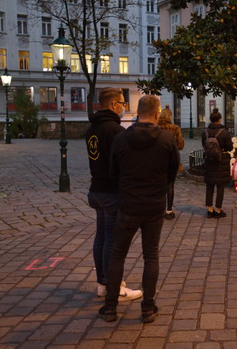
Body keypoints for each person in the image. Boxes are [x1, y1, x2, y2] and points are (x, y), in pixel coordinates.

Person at [99, 95, 180, 324]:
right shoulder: (166, 139)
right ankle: (147, 307)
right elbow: (172, 172)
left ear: (137, 111)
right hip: (154, 204)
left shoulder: (121, 139)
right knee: (151, 255)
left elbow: (112, 172)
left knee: (118, 254)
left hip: (128, 204)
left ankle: (110, 307)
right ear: (156, 113)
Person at [85, 88, 142, 301]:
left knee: (101, 237)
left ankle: (103, 283)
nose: (124, 107)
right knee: (112, 240)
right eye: (122, 103)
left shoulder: (92, 128)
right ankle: (114, 287)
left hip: (96, 190)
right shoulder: (115, 131)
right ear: (113, 105)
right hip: (111, 191)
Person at [202, 108, 233, 219]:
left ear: (210, 119)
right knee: (220, 186)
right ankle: (218, 210)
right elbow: (230, 147)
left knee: (209, 185)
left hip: (209, 161)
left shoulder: (205, 132)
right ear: (219, 120)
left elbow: (204, 146)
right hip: (222, 161)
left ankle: (209, 210)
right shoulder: (224, 132)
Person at [157, 104, 185, 220]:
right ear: (170, 116)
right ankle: (169, 210)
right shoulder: (175, 128)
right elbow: (180, 145)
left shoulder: (156, 127)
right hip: (172, 159)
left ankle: (159, 209)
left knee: (158, 185)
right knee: (170, 185)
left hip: (157, 159)